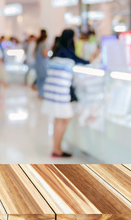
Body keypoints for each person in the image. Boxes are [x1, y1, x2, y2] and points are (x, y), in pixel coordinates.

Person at [44, 29, 92, 158]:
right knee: (64, 118)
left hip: (52, 93)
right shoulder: (68, 53)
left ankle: (56, 148)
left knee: (59, 119)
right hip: (61, 93)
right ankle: (57, 150)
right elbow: (85, 62)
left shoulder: (57, 51)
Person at [35, 30, 49, 98]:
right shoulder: (43, 44)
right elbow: (45, 54)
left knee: (39, 78)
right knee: (43, 78)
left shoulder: (38, 43)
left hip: (38, 63)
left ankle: (40, 93)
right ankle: (41, 93)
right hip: (42, 64)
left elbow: (34, 54)